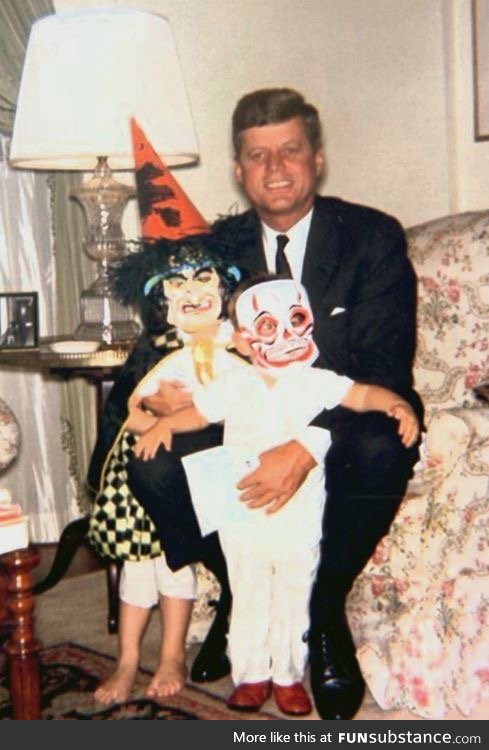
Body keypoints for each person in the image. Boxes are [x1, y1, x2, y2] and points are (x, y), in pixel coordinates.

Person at [133, 275, 419, 717]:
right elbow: (198, 411)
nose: (286, 335)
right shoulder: (237, 383)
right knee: (247, 586)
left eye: (297, 319)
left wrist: (394, 404)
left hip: (299, 509)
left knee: (293, 587)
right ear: (245, 342)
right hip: (242, 507)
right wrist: (164, 425)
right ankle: (251, 672)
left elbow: (360, 394)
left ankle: (287, 674)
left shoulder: (316, 381)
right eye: (268, 327)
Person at [89, 233, 248, 705]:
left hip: (206, 465)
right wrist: (153, 413)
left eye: (203, 279)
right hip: (139, 473)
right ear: (162, 298)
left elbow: (244, 403)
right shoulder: (157, 348)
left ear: (224, 290)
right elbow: (128, 412)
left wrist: (177, 418)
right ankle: (126, 661)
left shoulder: (237, 345)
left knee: (170, 560)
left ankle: (171, 654)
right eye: (177, 284)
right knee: (138, 564)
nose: (193, 292)